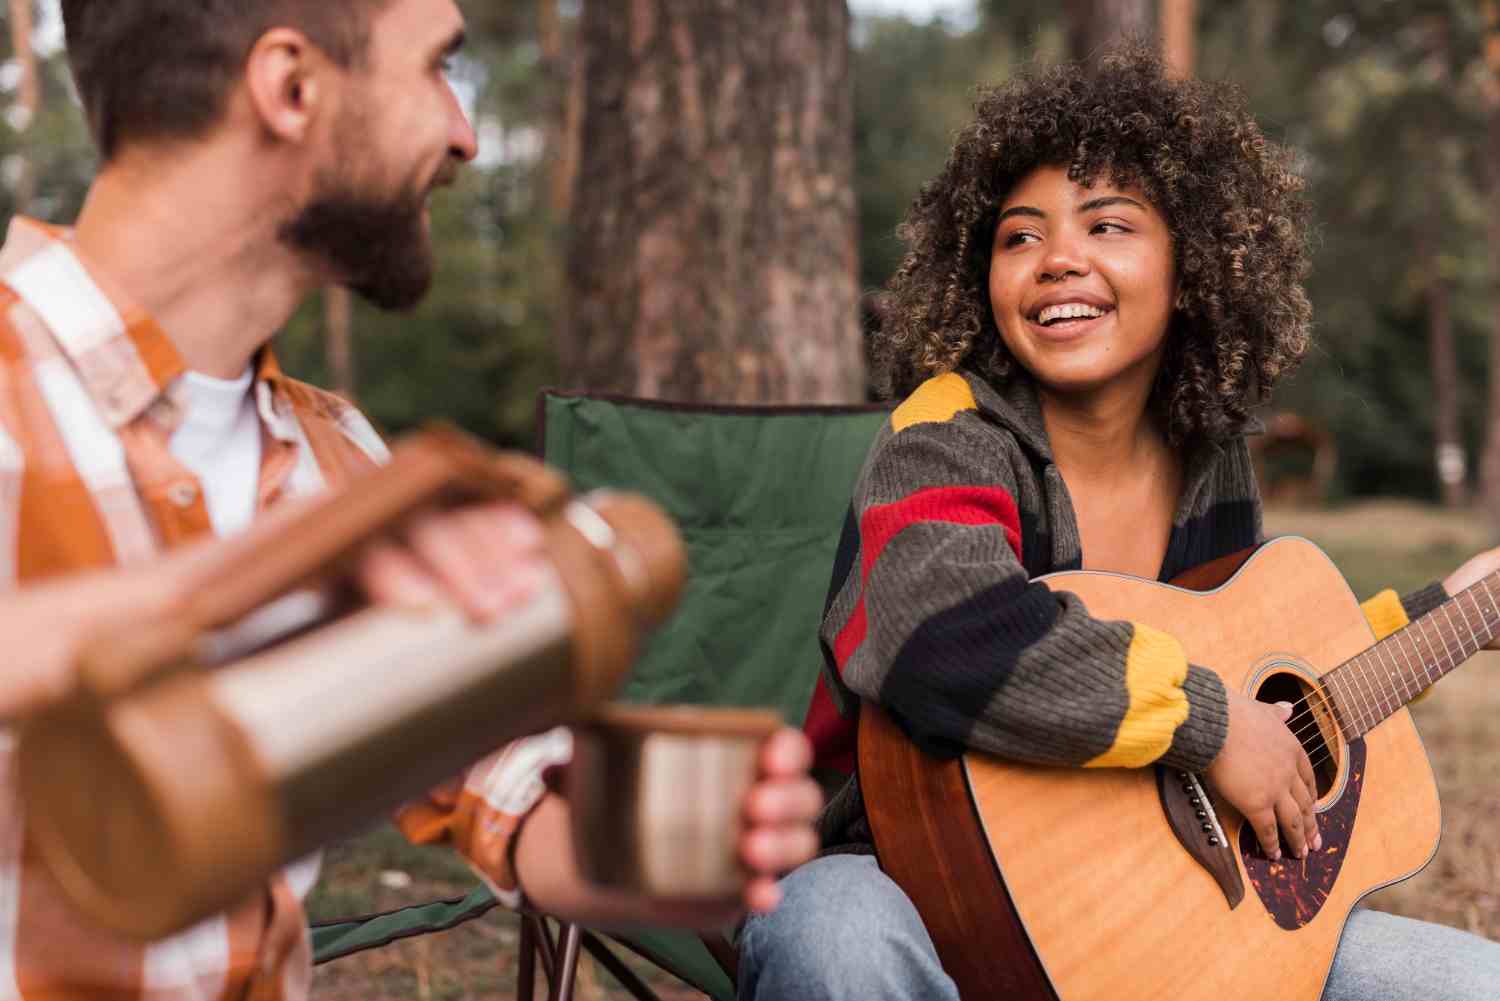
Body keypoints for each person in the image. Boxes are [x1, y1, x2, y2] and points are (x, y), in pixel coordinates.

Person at [0, 0, 820, 996]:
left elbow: (491, 789)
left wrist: (650, 846)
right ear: (291, 88)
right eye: (437, 69)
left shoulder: (339, 456)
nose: (465, 133)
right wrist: (236, 586)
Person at [738, 45, 1500, 1001]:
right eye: (1018, 237)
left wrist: (1452, 610)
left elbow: (1269, 665)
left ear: (1192, 271)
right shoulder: (947, 433)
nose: (1058, 257)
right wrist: (1212, 724)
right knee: (836, 941)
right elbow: (940, 635)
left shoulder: (1208, 455)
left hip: (1147, 906)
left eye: (1108, 224)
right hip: (901, 874)